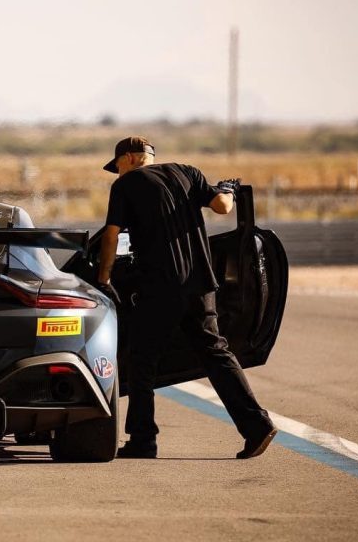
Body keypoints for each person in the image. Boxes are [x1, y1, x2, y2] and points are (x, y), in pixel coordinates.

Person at [96, 136, 277, 460]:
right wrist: (228, 190)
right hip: (201, 283)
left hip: (160, 286)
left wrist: (103, 278)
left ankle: (143, 440)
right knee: (216, 353)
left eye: (117, 167)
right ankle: (257, 426)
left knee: (141, 361)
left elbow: (111, 235)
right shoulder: (187, 173)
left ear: (128, 158)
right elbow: (222, 206)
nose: (117, 173)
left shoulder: (125, 186)